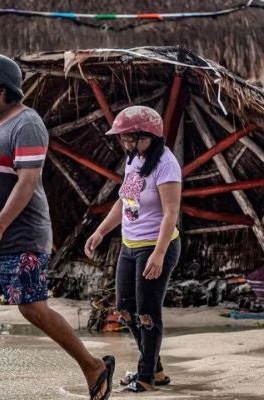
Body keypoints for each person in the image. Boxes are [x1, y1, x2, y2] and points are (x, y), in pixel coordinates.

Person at [0, 52, 115, 400]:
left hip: (18, 236)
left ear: (0, 90)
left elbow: (27, 182)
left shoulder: (27, 124)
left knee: (32, 307)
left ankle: (94, 366)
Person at [84, 106, 182, 393]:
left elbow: (170, 213)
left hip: (156, 246)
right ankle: (157, 370)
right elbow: (124, 201)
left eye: (130, 138)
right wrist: (100, 232)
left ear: (148, 135)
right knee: (126, 311)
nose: (125, 143)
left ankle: (146, 378)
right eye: (123, 138)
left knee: (148, 313)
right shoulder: (133, 160)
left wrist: (160, 253)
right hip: (130, 246)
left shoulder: (166, 163)